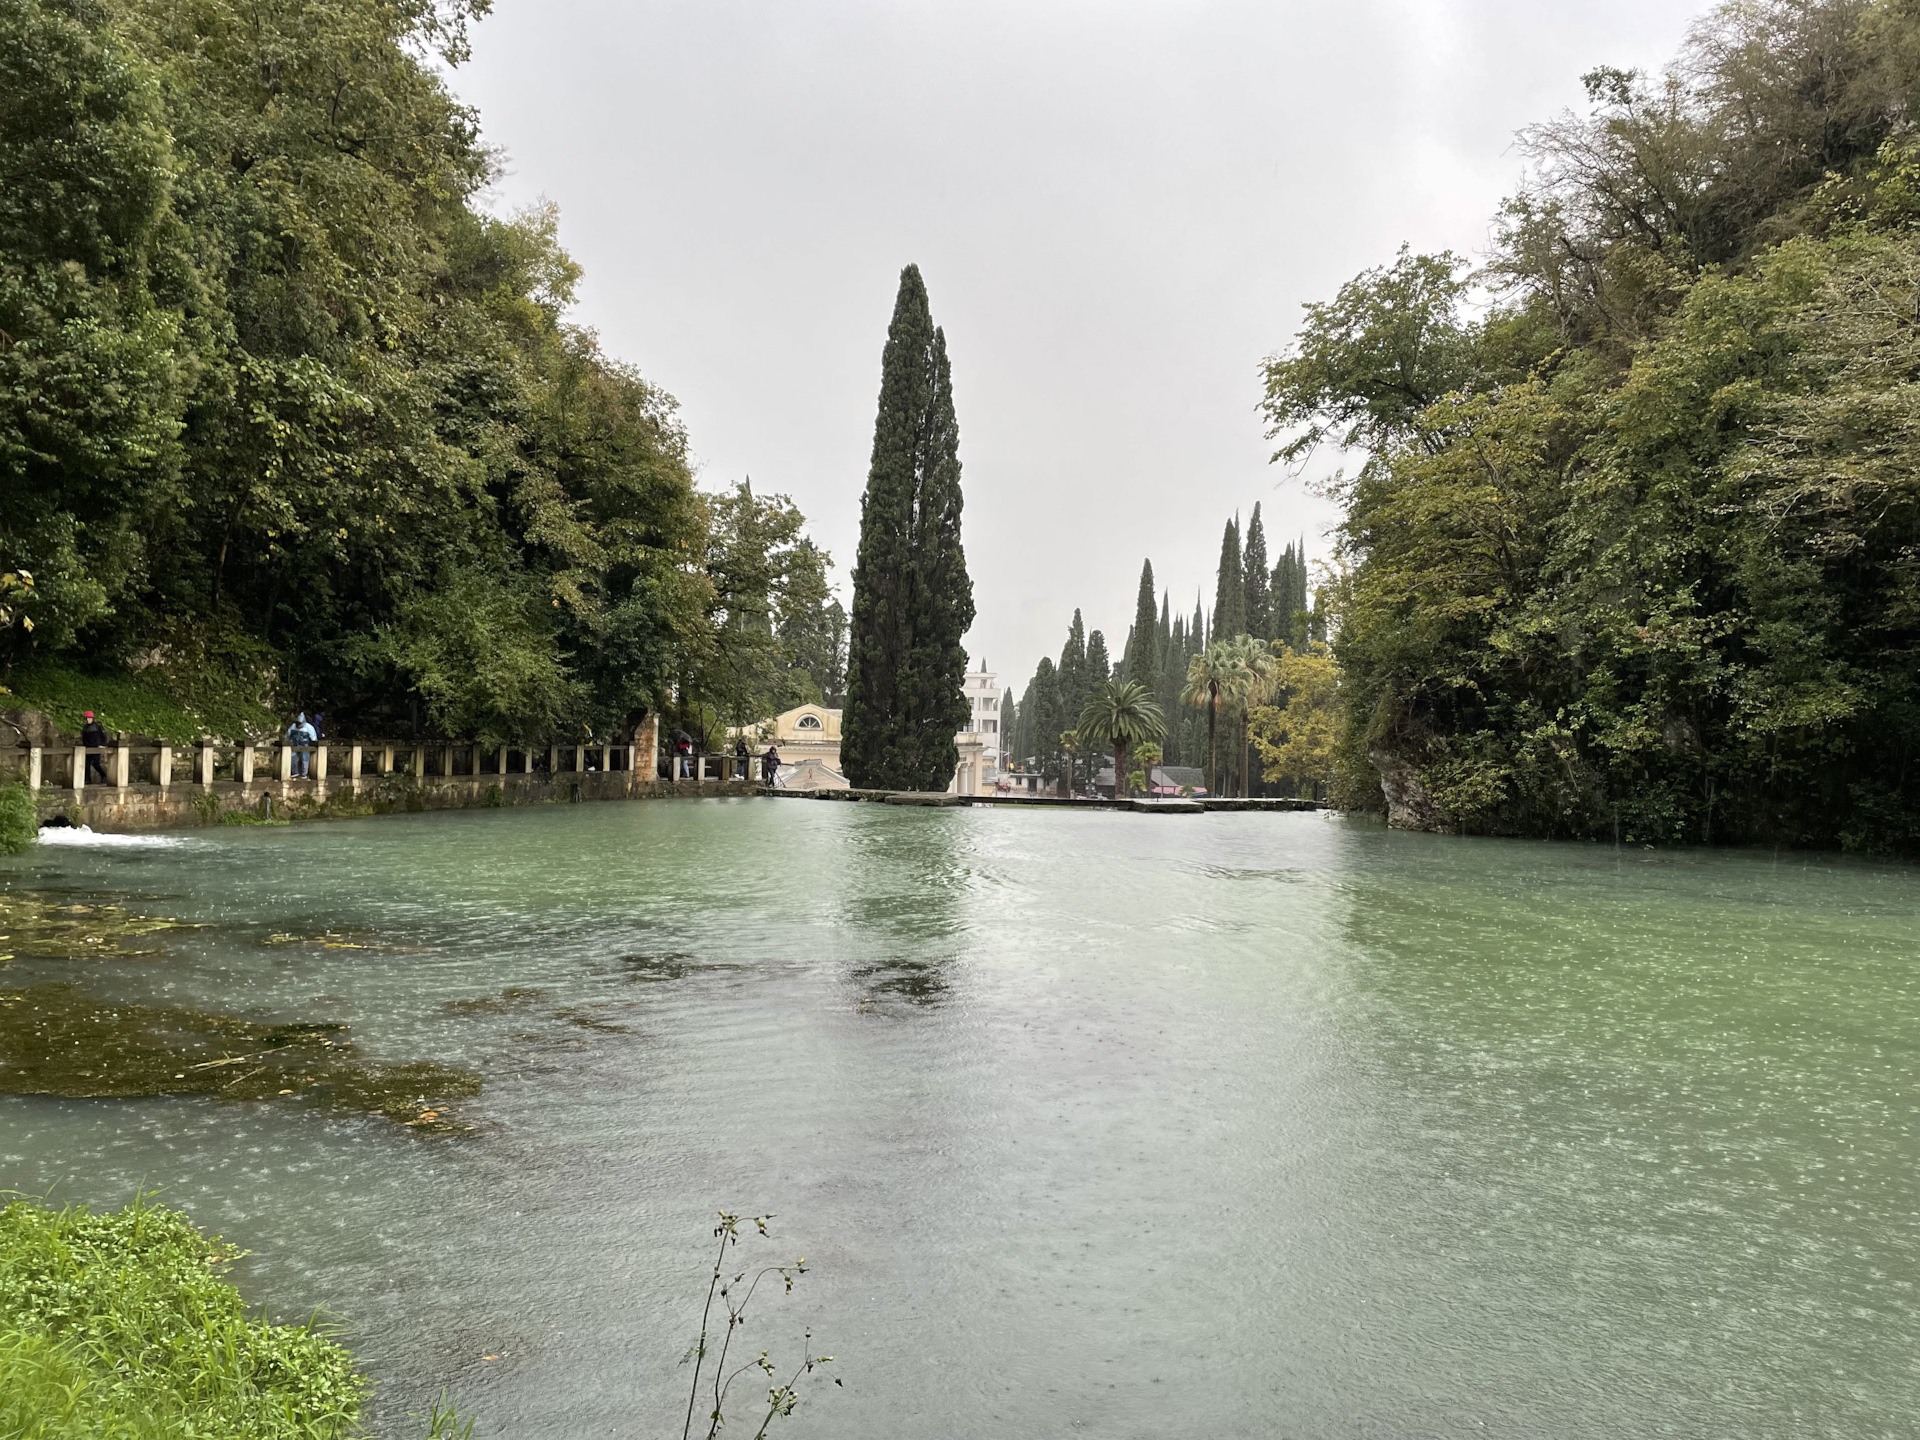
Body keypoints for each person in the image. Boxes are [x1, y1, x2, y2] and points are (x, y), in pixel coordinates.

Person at [80, 711, 109, 784]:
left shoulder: (97, 726)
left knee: (95, 764)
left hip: (96, 748)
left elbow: (103, 736)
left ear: (92, 718)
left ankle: (103, 775)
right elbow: (84, 738)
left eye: (89, 718)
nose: (88, 720)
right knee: (87, 764)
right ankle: (87, 779)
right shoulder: (85, 728)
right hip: (88, 748)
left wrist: (102, 744)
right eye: (86, 718)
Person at [286, 712, 317, 778]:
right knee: (293, 757)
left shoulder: (309, 727)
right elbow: (288, 735)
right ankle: (294, 771)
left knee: (305, 759)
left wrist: (314, 744)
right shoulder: (293, 726)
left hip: (305, 746)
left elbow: (314, 738)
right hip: (295, 745)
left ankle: (304, 773)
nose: (298, 725)